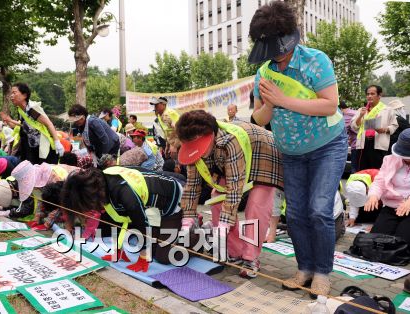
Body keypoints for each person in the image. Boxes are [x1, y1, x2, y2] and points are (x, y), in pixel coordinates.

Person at [248, 1, 347, 296]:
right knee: (297, 214)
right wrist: (268, 103)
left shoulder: (316, 61)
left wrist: (282, 99)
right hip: (290, 152)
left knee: (319, 210)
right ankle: (304, 268)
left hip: (327, 146)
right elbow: (258, 118)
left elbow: (329, 104)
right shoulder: (264, 73)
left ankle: (323, 273)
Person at [176, 110, 284, 278]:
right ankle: (235, 252)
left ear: (210, 136)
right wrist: (188, 217)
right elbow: (192, 186)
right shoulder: (194, 144)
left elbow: (234, 188)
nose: (194, 150)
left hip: (263, 154)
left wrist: (225, 224)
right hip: (234, 160)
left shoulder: (229, 141)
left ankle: (251, 257)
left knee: (256, 207)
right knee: (216, 200)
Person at [61, 166, 186, 272]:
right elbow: (118, 219)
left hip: (170, 200)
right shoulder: (101, 184)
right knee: (150, 248)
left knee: (163, 256)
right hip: (151, 209)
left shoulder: (123, 192)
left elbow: (141, 222)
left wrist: (143, 258)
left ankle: (193, 233)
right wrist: (119, 250)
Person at [364, 129, 410, 245]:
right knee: (376, 243)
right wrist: (373, 195)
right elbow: (380, 181)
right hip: (391, 207)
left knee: (402, 244)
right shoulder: (389, 160)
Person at [1, 83, 64, 164]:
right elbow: (26, 125)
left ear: (24, 95)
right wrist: (10, 120)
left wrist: (57, 142)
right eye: (11, 93)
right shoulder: (21, 109)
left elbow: (49, 123)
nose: (11, 96)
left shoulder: (32, 109)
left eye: (14, 92)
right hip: (31, 146)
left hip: (43, 145)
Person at [350, 85, 398, 170]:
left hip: (378, 144)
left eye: (372, 94)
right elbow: (354, 126)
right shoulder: (362, 110)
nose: (369, 96)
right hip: (363, 144)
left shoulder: (387, 110)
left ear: (379, 95)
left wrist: (384, 130)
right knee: (362, 172)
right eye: (368, 94)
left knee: (377, 171)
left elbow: (394, 126)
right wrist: (360, 115)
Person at [340, 100, 359, 173]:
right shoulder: (355, 112)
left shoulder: (346, 115)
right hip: (364, 144)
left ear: (340, 109)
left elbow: (341, 130)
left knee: (354, 170)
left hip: (356, 145)